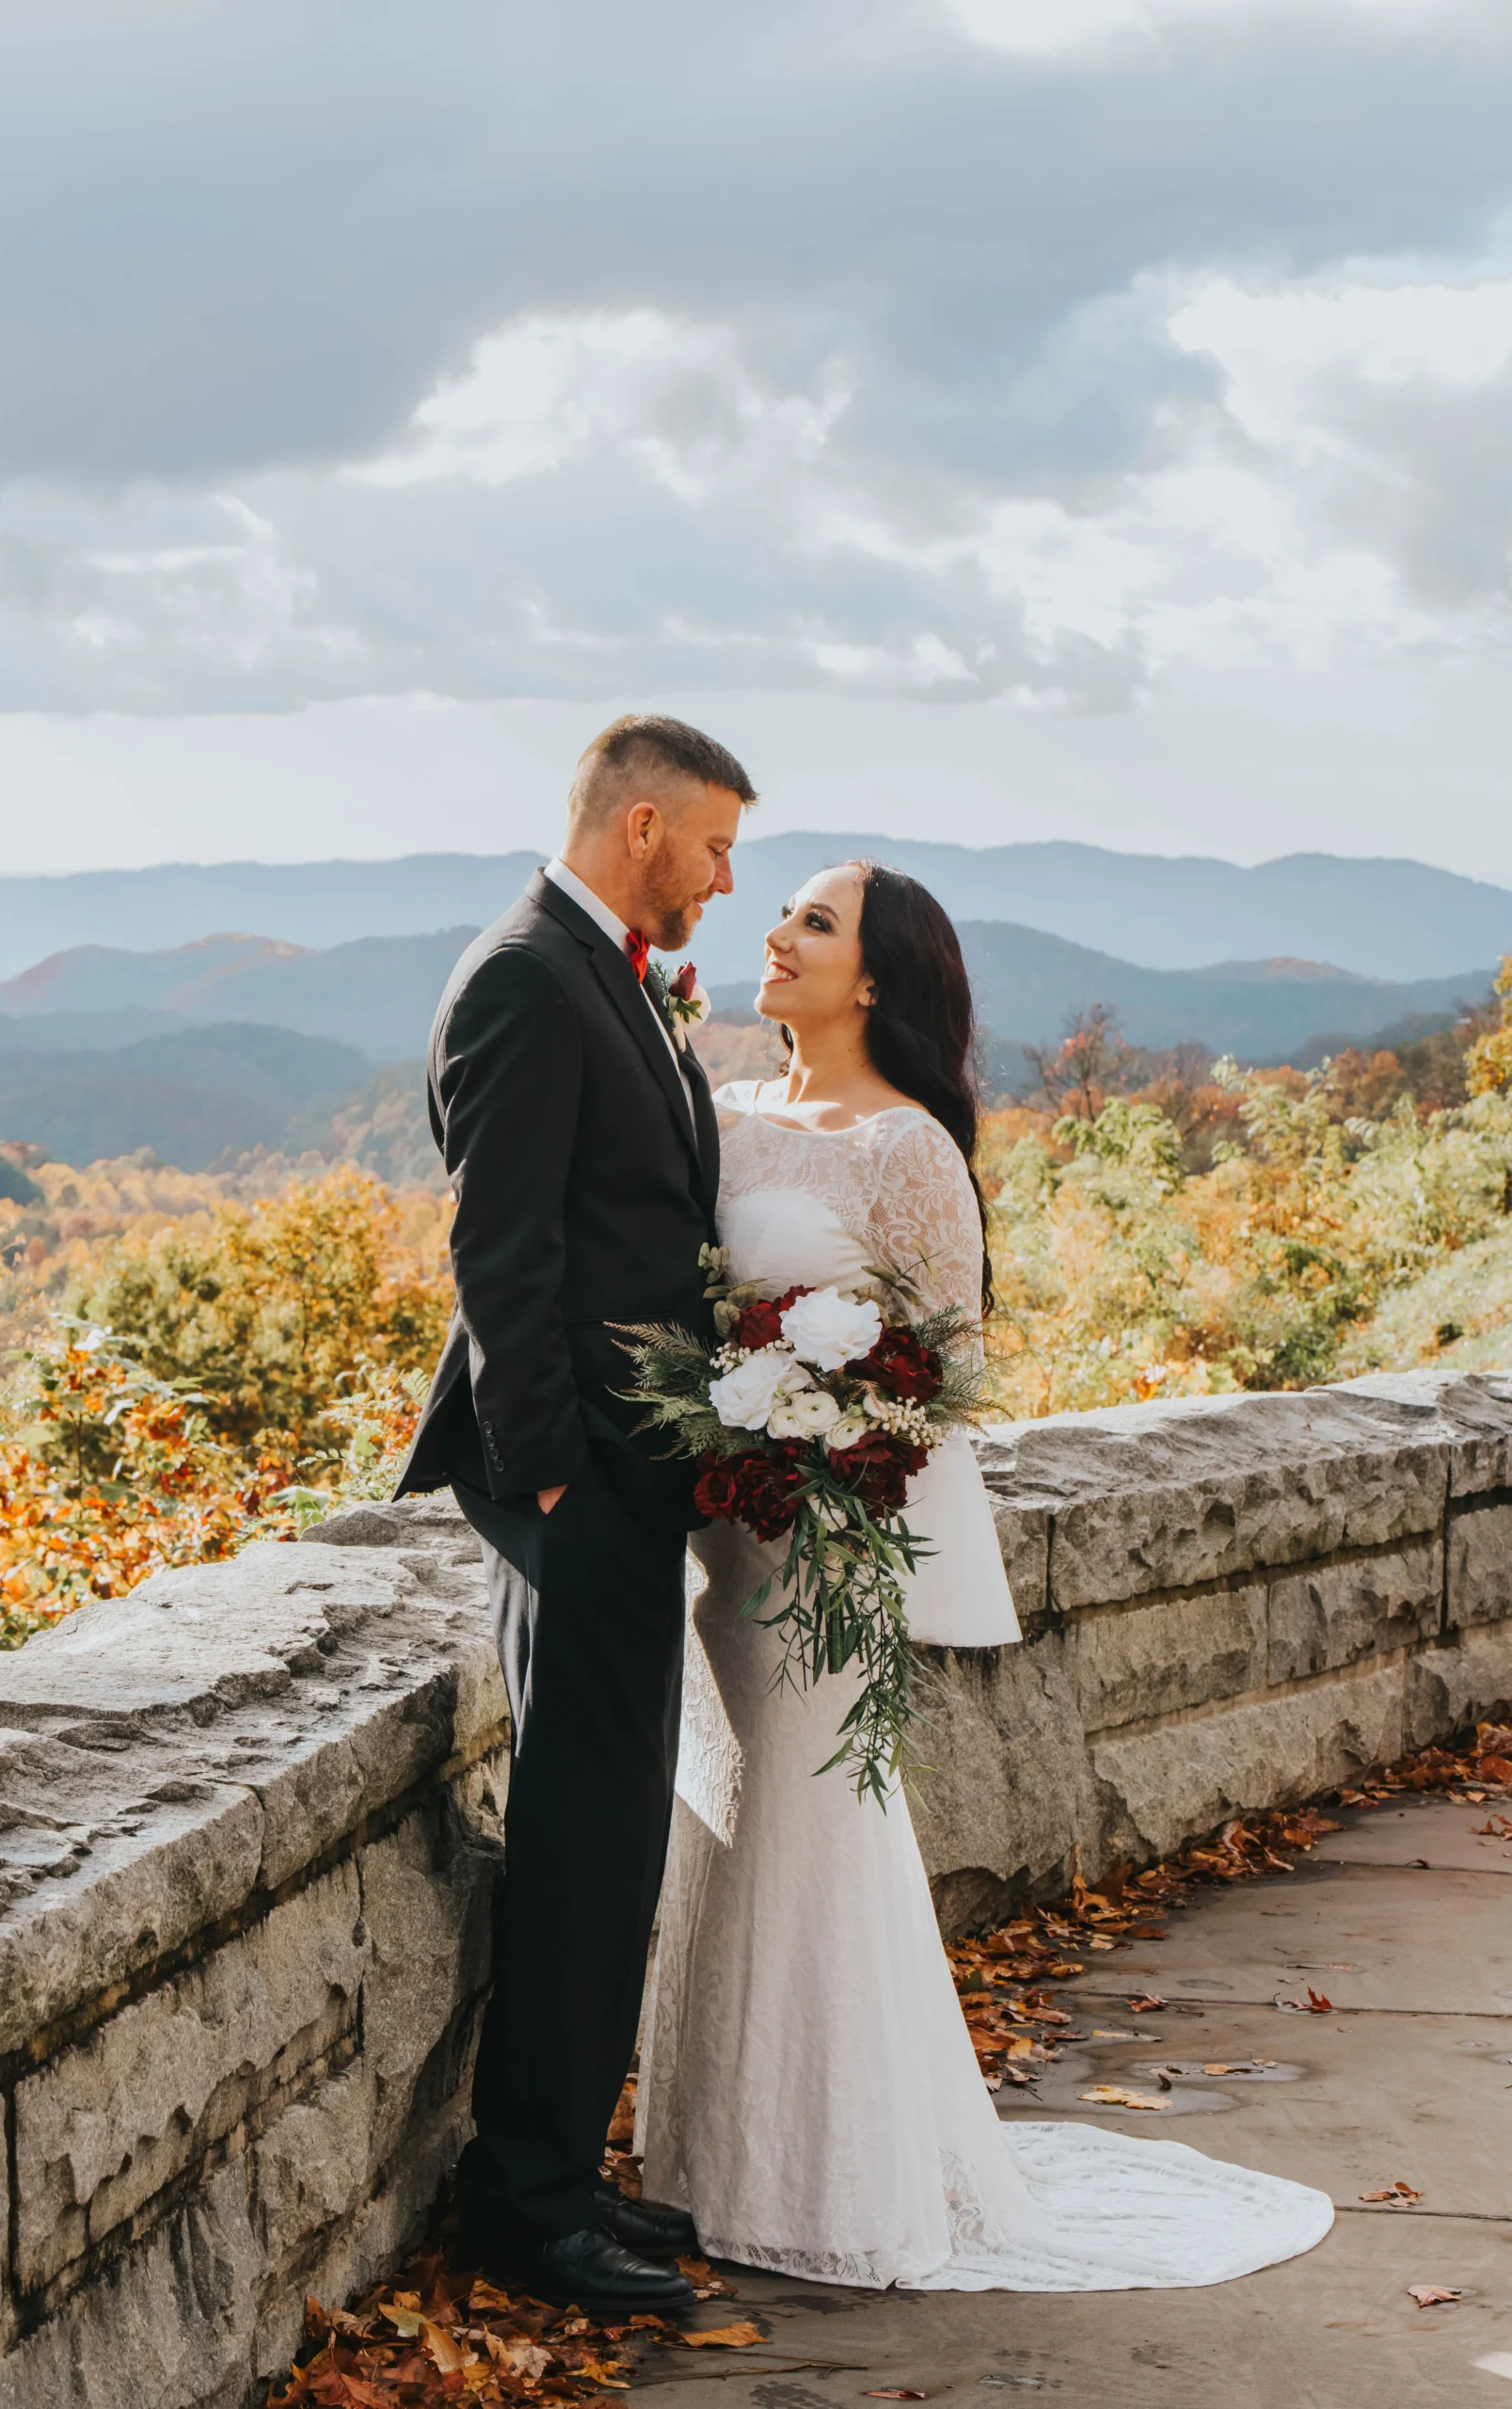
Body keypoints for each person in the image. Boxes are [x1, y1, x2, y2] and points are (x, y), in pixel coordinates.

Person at [636, 858, 1334, 2290]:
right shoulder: (721, 1112)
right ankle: (708, 2163)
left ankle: (833, 2182)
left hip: (821, 1544)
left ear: (875, 979)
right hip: (717, 1535)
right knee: (720, 1826)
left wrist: (823, 1441)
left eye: (813, 924)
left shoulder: (906, 1150)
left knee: (808, 1829)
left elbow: (938, 1371)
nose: (775, 934)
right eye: (782, 913)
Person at [394, 713, 756, 2313]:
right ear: (640, 831)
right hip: (579, 1478)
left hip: (630, 1472)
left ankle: (566, 2178)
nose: (726, 881)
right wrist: (550, 1469)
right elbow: (501, 1248)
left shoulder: (607, 969)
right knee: (580, 1842)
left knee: (609, 1841)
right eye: (716, 847)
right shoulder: (526, 976)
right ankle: (525, 2205)